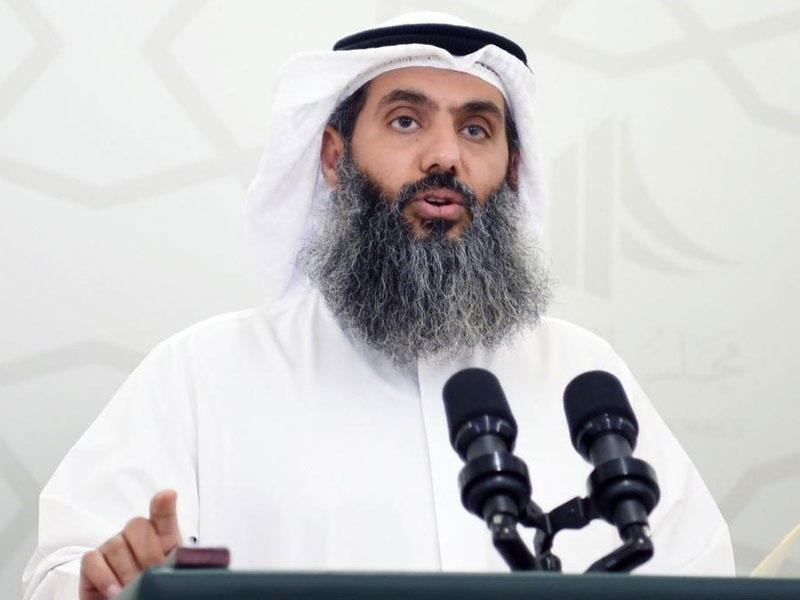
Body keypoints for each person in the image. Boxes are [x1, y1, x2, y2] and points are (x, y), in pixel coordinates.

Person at [22, 12, 735, 600]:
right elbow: (66, 573)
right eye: (405, 121)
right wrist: (108, 587)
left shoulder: (584, 376)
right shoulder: (203, 374)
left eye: (477, 130)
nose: (444, 157)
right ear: (335, 157)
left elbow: (697, 570)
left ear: (513, 171)